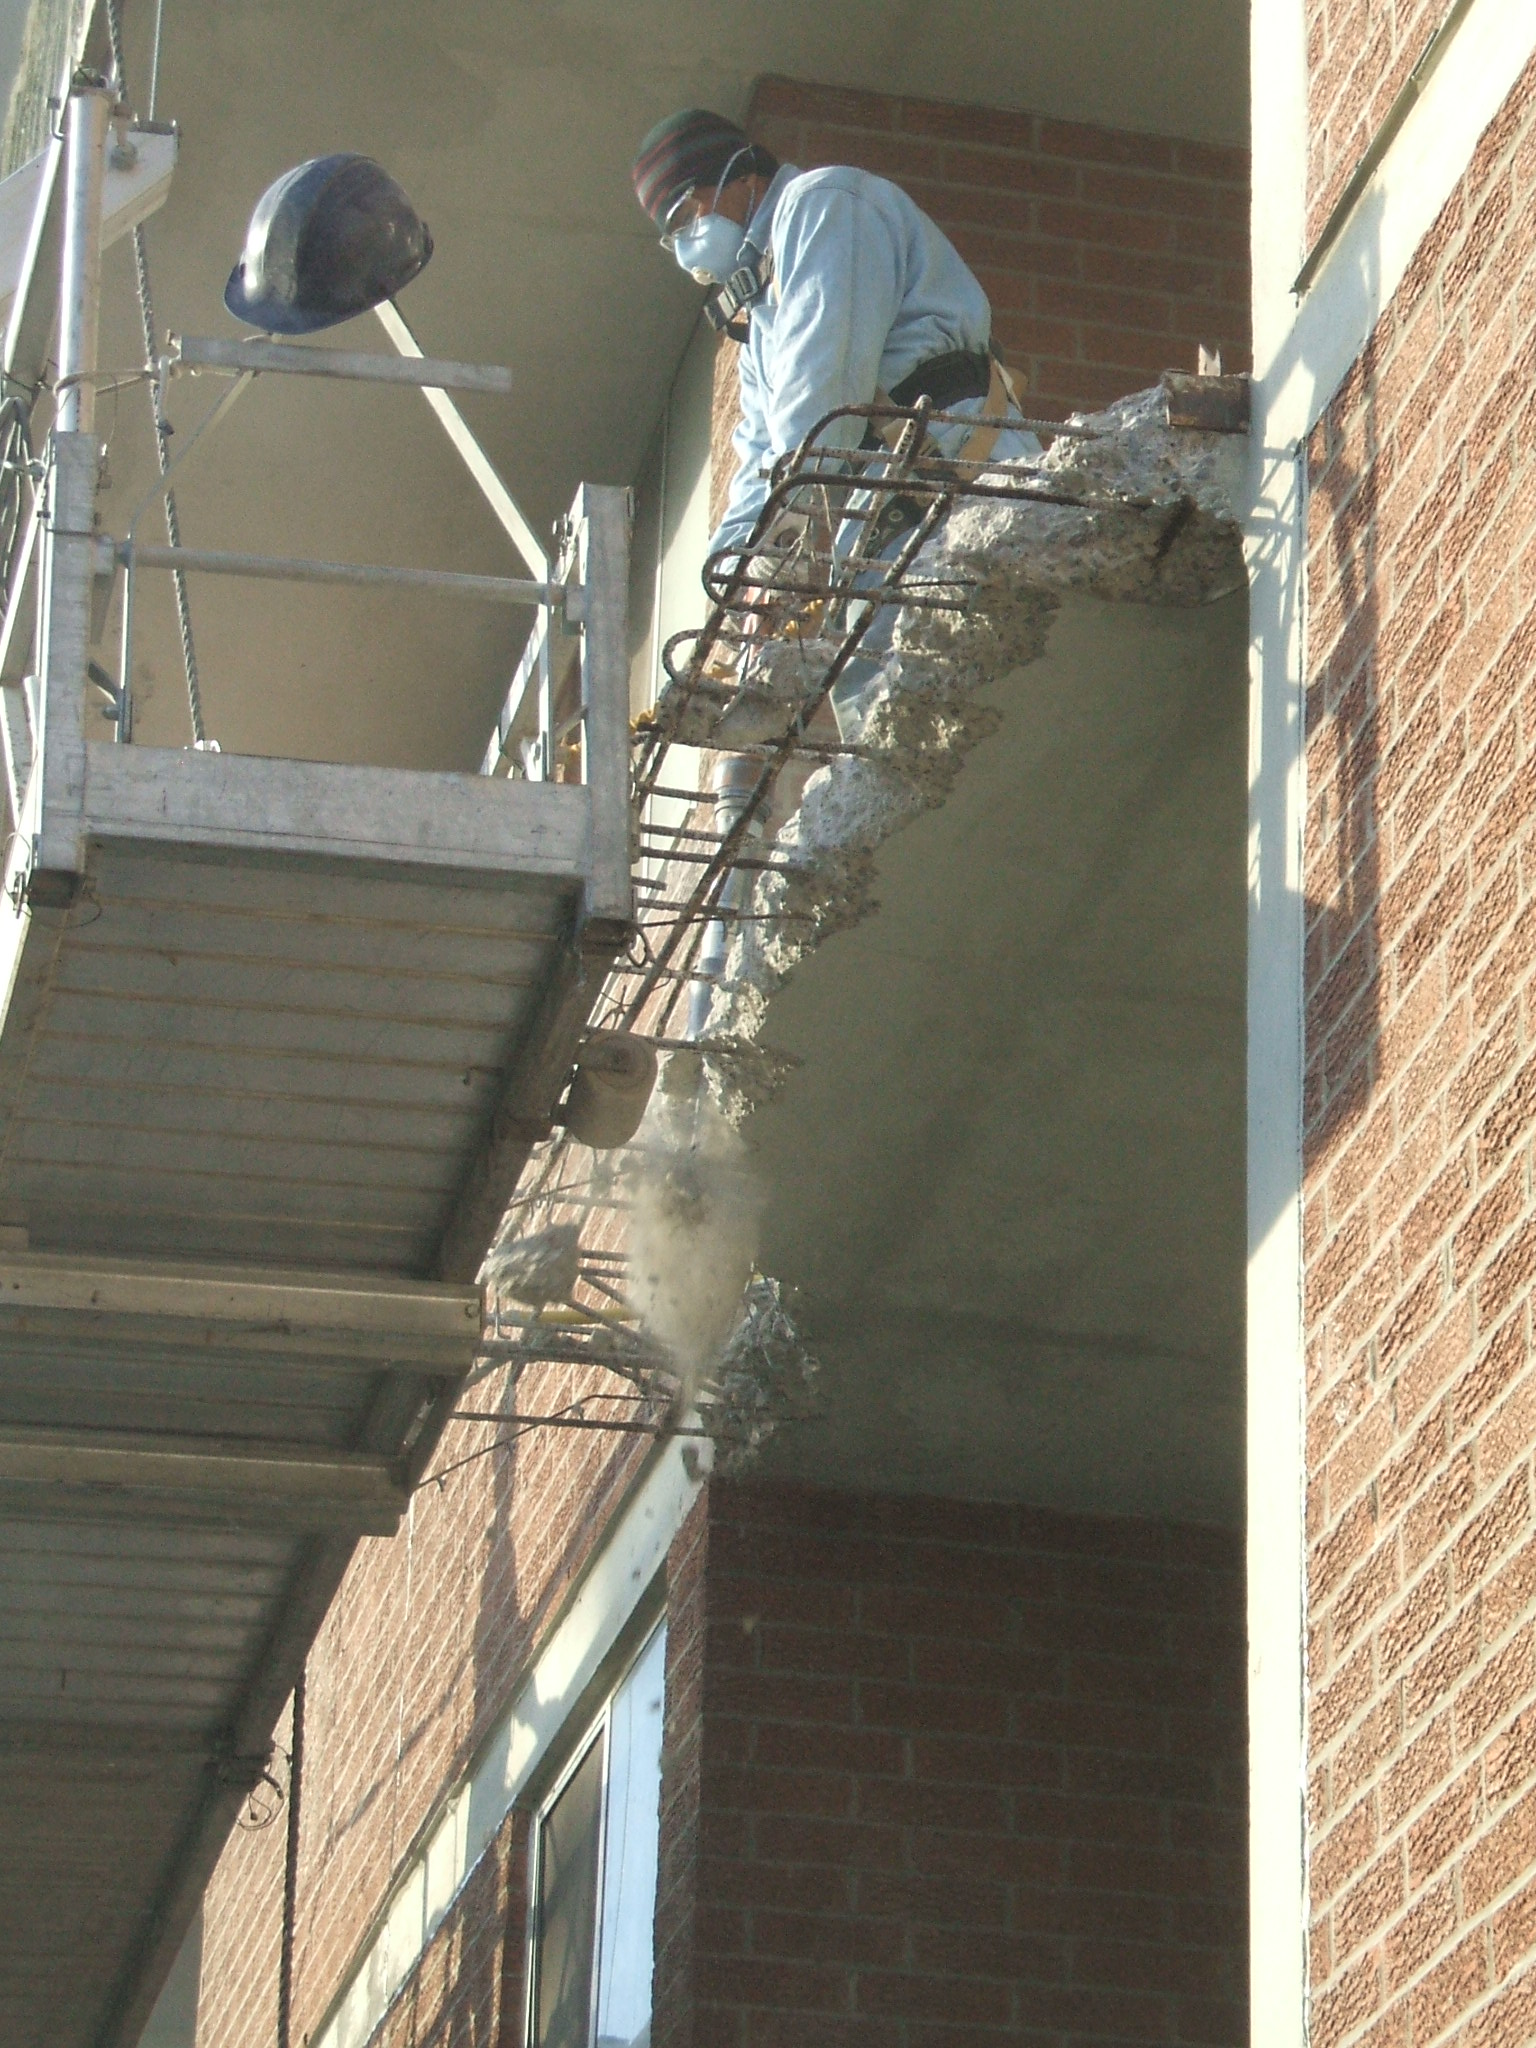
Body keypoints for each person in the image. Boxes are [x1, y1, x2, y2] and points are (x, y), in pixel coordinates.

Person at [630, 107, 1041, 568]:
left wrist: (787, 527)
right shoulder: (762, 316)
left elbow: (824, 381)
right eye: (674, 235)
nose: (688, 242)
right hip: (884, 497)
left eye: (686, 214)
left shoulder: (822, 203)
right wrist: (736, 568)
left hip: (955, 465)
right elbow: (759, 458)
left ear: (740, 174)